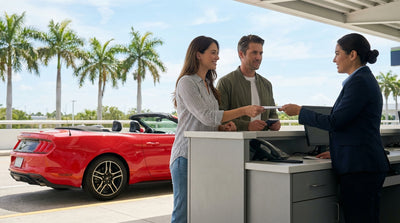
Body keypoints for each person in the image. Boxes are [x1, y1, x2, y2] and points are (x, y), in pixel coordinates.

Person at [280, 33, 390, 223]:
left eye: (337, 53)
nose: (334, 59)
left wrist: (300, 112)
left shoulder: (359, 82)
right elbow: (355, 126)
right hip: (360, 163)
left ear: (352, 55)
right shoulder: (361, 80)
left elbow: (335, 122)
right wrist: (338, 151)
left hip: (360, 168)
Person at [170, 36, 264, 223]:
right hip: (186, 157)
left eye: (217, 53)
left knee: (202, 210)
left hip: (205, 156)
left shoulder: (208, 85)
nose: (217, 58)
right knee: (183, 212)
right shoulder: (186, 83)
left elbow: (210, 121)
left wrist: (222, 127)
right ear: (198, 54)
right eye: (213, 53)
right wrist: (244, 110)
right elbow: (207, 115)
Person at [217, 34, 280, 131]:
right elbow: (219, 118)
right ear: (241, 54)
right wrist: (247, 126)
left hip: (264, 142)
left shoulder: (267, 84)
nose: (258, 57)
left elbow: (272, 113)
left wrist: (275, 123)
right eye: (254, 53)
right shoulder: (226, 82)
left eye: (261, 53)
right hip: (237, 143)